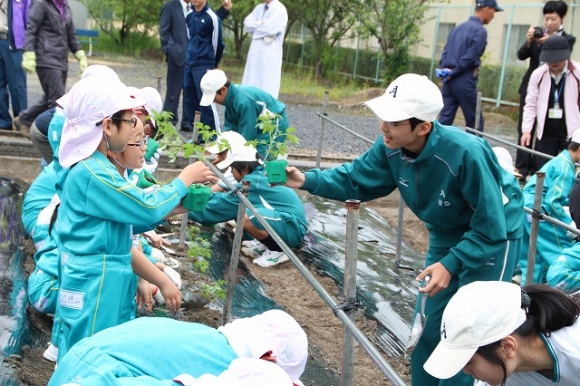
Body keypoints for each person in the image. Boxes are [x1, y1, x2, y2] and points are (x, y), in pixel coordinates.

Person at [283, 73, 524, 386]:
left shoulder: (464, 153)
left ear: (423, 127)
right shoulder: (391, 146)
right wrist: (306, 180)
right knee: (429, 325)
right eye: (383, 118)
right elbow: (357, 178)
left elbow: (491, 225)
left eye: (394, 122)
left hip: (494, 235)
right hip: (446, 231)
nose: (383, 127)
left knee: (470, 333)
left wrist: (451, 263)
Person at [53, 76, 214, 361]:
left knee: (103, 358)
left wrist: (180, 205)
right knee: (87, 360)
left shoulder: (99, 167)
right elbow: (144, 208)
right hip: (94, 286)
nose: (134, 130)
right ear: (107, 126)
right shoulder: (91, 172)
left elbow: (128, 221)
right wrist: (184, 180)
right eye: (129, 121)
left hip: (105, 281)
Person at [48, 309, 307, 385]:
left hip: (73, 364)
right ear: (267, 359)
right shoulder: (226, 369)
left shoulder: (201, 335)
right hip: (97, 379)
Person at [423, 281, 580, 386]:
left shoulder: (574, 349)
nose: (465, 371)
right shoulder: (504, 370)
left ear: (507, 346)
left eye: (468, 362)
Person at [190, 141, 307, 267]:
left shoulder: (252, 184)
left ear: (244, 168)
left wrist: (184, 207)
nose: (231, 172)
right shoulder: (258, 176)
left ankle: (279, 250)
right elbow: (227, 197)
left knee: (247, 217)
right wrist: (199, 195)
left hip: (292, 228)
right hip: (286, 223)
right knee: (246, 212)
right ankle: (267, 244)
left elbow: (219, 207)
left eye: (232, 169)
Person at [515, 1, 575, 180]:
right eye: (546, 18)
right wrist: (530, 41)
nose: (549, 22)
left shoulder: (575, 68)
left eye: (553, 18)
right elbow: (521, 55)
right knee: (532, 141)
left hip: (566, 121)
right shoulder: (539, 74)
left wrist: (550, 41)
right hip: (539, 99)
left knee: (566, 159)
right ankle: (525, 170)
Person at [13, 0, 87, 137]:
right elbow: (31, 29)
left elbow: (71, 35)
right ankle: (53, 136)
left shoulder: (65, 7)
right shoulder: (41, 4)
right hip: (46, 58)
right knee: (57, 100)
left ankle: (24, 119)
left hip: (61, 60)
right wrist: (28, 52)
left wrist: (80, 54)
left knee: (51, 97)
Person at [519, 130, 580, 285]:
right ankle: (561, 296)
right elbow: (553, 201)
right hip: (538, 208)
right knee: (561, 251)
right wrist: (570, 225)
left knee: (532, 257)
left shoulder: (560, 159)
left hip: (526, 206)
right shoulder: (567, 167)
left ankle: (529, 294)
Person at [159, 0, 231, 131]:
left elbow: (215, 38)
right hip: (183, 60)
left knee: (201, 98)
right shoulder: (179, 10)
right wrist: (169, 50)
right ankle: (174, 128)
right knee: (180, 96)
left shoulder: (207, 15)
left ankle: (204, 133)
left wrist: (212, 63)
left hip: (202, 63)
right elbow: (169, 31)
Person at [437, 0, 503, 132]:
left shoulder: (458, 28)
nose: (494, 16)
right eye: (493, 11)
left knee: (444, 120)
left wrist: (446, 71)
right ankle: (474, 152)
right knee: (475, 122)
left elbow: (445, 51)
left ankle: (435, 150)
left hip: (448, 81)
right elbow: (470, 57)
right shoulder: (480, 31)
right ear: (486, 9)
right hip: (464, 80)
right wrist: (454, 72)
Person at [200, 69, 289, 161]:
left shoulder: (244, 101)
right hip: (258, 124)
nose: (214, 101)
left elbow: (247, 136)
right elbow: (231, 132)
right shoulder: (230, 101)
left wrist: (229, 154)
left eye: (214, 98)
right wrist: (222, 149)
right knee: (248, 158)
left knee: (261, 158)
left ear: (223, 90)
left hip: (273, 123)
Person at [521, 35, 580, 171]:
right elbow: (531, 104)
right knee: (544, 169)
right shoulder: (538, 74)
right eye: (549, 59)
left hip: (572, 131)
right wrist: (526, 131)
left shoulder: (577, 72)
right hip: (546, 131)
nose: (553, 62)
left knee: (570, 169)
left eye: (558, 58)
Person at [183, 0, 224, 133]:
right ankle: (197, 134)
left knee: (206, 99)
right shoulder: (189, 16)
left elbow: (217, 43)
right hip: (189, 64)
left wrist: (212, 64)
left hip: (204, 65)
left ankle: (212, 134)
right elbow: (189, 38)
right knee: (190, 98)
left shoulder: (212, 17)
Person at [241, 0, 288, 99]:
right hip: (254, 55)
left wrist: (256, 28)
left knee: (267, 91)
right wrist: (260, 24)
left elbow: (269, 29)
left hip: (269, 56)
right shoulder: (259, 8)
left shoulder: (280, 10)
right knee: (249, 88)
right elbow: (247, 23)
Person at [0, 0, 30, 131]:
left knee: (17, 85)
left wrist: (29, 47)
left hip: (14, 43)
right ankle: (3, 120)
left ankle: (22, 120)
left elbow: (29, 19)